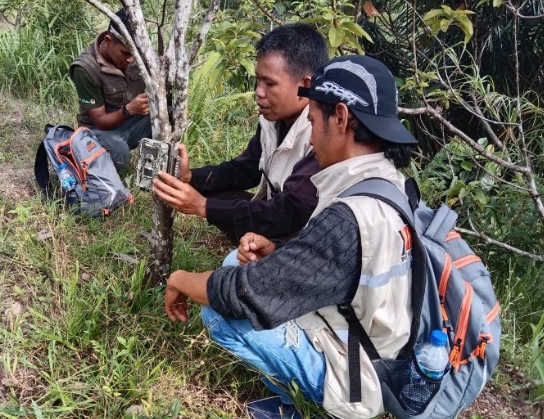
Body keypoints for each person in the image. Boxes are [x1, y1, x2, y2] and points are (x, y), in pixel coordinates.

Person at [163, 55, 418, 418]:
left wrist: (179, 279)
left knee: (218, 311)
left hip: (360, 375)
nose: (312, 137)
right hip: (373, 336)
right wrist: (280, 250)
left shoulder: (351, 215)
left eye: (314, 121)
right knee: (234, 262)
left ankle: (304, 405)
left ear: (341, 118)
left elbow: (244, 295)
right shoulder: (387, 182)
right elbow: (342, 266)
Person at [153, 23, 327, 245]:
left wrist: (202, 207)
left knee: (215, 208)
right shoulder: (271, 120)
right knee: (216, 198)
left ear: (305, 85)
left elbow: (290, 212)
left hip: (307, 236)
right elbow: (246, 170)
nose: (258, 92)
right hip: (281, 214)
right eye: (258, 79)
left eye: (270, 83)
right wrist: (190, 178)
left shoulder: (322, 133)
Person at [69, 9, 151, 173]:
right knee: (119, 155)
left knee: (168, 117)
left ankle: (151, 170)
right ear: (108, 41)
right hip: (98, 131)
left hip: (132, 122)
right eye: (125, 53)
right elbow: (100, 121)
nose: (130, 59)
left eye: (134, 54)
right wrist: (129, 110)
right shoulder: (85, 68)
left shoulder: (137, 55)